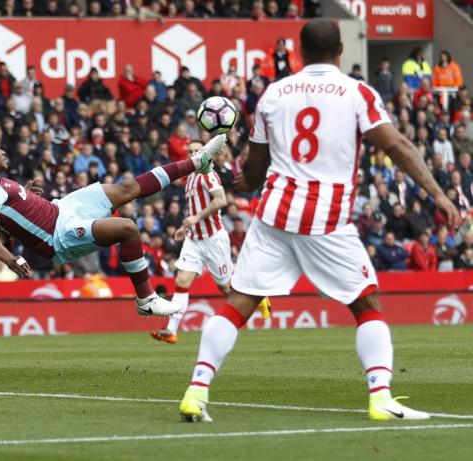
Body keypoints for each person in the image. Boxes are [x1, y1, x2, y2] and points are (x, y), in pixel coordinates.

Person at [178, 18, 460, 423]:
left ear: (300, 51)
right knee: (367, 305)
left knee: (239, 302)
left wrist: (242, 181)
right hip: (326, 218)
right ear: (341, 50)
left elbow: (255, 172)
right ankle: (380, 397)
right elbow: (396, 145)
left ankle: (196, 390)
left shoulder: (274, 93)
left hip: (274, 213)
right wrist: (438, 194)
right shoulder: (357, 92)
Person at [0, 134, 225, 317]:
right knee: (128, 228)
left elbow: (9, 217)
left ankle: (197, 162)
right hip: (59, 236)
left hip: (61, 208)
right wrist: (11, 260)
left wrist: (28, 198)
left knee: (128, 187)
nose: (2, 151)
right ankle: (146, 299)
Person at [150, 141, 271, 344]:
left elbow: (221, 200)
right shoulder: (189, 178)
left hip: (213, 239)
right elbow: (194, 210)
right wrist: (185, 226)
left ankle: (259, 298)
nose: (192, 154)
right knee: (181, 282)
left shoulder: (207, 173)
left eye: (196, 151)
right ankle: (171, 330)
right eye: (189, 152)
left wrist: (196, 219)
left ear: (205, 153)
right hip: (194, 239)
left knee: (225, 287)